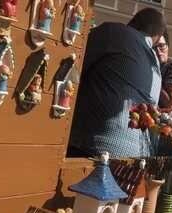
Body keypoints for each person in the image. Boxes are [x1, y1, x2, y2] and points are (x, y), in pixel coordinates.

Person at [68, 8, 165, 158]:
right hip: (135, 156)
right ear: (157, 38)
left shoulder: (114, 32)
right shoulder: (156, 67)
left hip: (92, 147)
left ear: (132, 22)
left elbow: (74, 61)